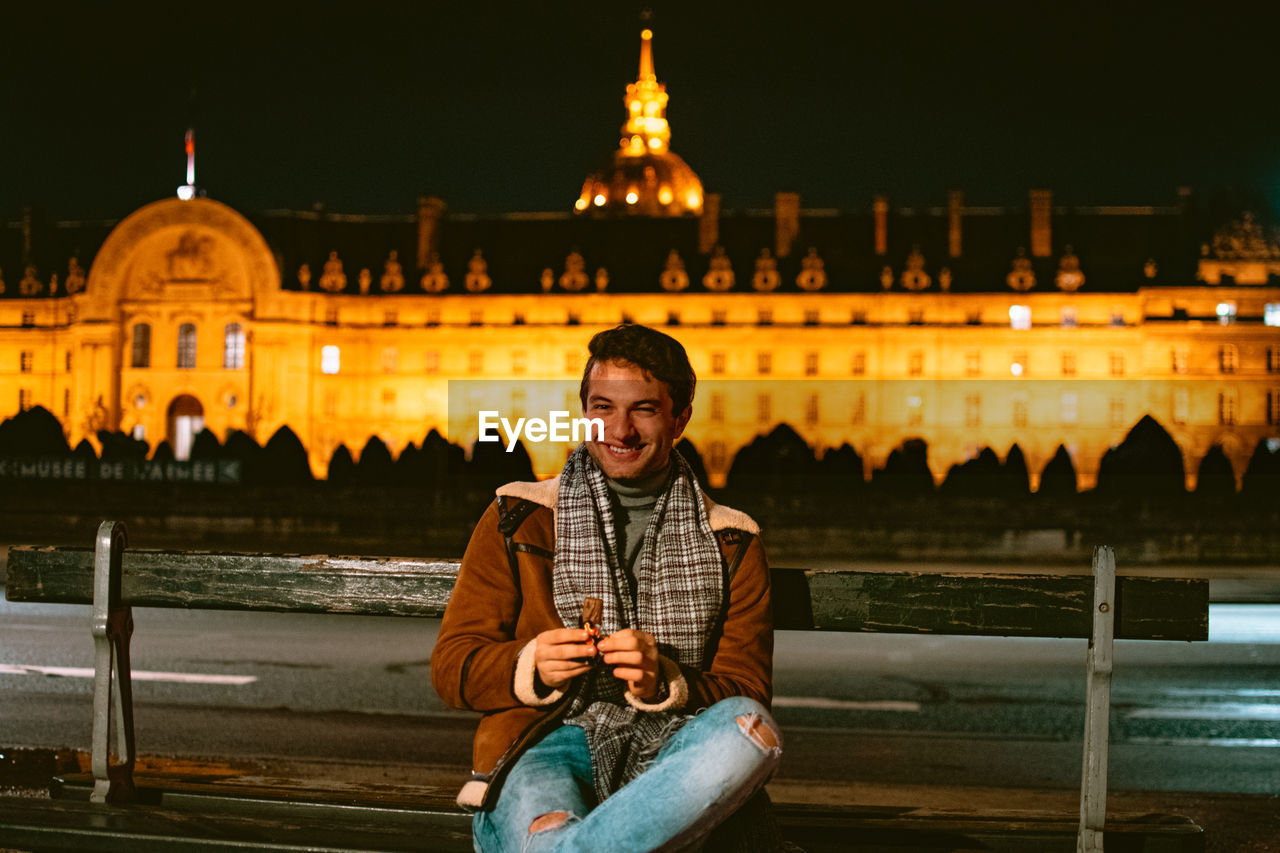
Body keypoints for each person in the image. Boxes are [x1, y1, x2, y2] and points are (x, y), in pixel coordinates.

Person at [432, 323, 783, 852]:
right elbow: (451, 666)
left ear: (680, 417)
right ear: (584, 412)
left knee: (750, 729)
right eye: (603, 407)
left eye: (643, 408)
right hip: (546, 738)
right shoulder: (520, 517)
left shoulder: (732, 539)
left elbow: (746, 691)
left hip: (673, 751)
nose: (620, 431)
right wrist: (529, 666)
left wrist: (666, 680)